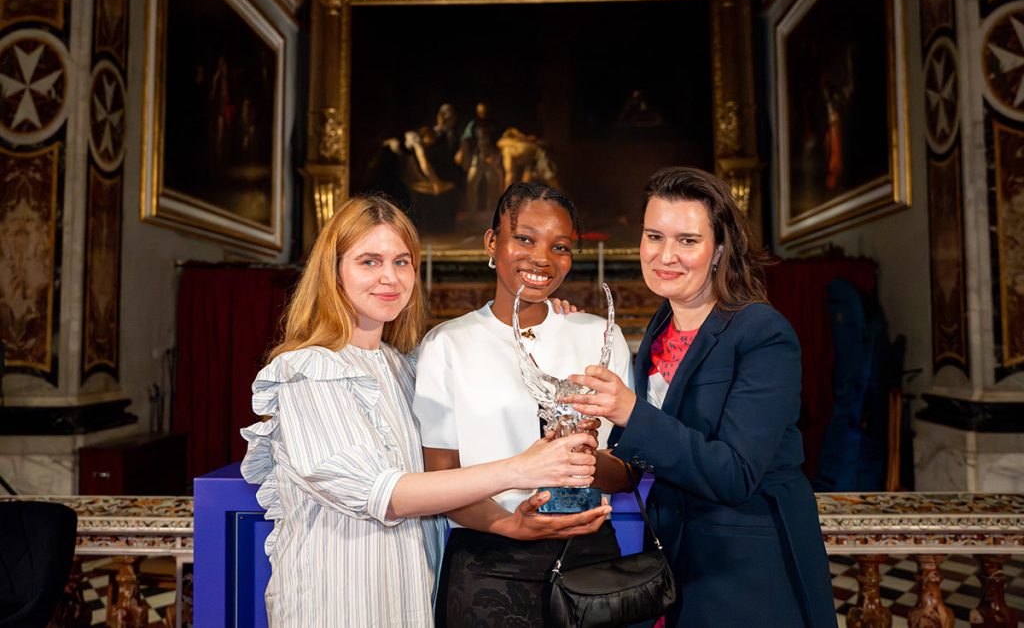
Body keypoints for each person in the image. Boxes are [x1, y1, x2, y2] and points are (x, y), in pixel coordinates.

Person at [239, 195, 600, 627]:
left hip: (409, 596)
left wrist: (552, 318)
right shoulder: (308, 372)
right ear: (333, 272)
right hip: (338, 601)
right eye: (369, 262)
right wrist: (520, 469)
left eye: (402, 262)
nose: (389, 277)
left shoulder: (402, 367)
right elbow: (385, 495)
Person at [567, 167, 837, 627]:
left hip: (748, 572)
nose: (665, 255)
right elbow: (655, 456)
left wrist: (632, 413)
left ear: (720, 250)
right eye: (654, 236)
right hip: (675, 559)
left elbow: (736, 474)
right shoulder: (660, 328)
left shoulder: (762, 332)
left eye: (687, 241)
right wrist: (580, 457)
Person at [413, 182, 633, 627]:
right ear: (492, 242)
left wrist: (581, 456)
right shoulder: (447, 345)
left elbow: (627, 473)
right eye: (525, 239)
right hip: (489, 561)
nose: (542, 258)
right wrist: (508, 523)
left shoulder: (597, 335)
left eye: (560, 246)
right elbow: (440, 478)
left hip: (588, 557)